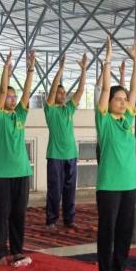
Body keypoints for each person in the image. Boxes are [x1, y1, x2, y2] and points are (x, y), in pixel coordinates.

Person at [95, 36, 136, 271]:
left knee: (124, 233)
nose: (123, 101)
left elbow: (135, 90)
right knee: (108, 232)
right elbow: (104, 90)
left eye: (124, 99)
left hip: (129, 184)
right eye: (118, 99)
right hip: (109, 186)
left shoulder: (127, 121)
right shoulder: (104, 122)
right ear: (110, 103)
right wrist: (108, 62)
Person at [0, 50, 35, 267]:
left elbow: (27, 94)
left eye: (14, 96)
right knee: (1, 214)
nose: (13, 98)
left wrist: (30, 69)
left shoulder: (20, 115)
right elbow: (3, 90)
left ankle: (17, 250)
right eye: (9, 95)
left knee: (18, 214)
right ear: (0, 98)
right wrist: (6, 69)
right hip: (0, 174)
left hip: (22, 172)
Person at [43, 54, 86, 233]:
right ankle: (51, 220)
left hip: (71, 154)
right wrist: (60, 70)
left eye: (64, 92)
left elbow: (81, 90)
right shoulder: (50, 109)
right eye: (60, 92)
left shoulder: (69, 108)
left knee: (70, 190)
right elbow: (52, 92)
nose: (62, 94)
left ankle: (69, 219)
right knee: (55, 189)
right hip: (55, 155)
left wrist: (83, 70)